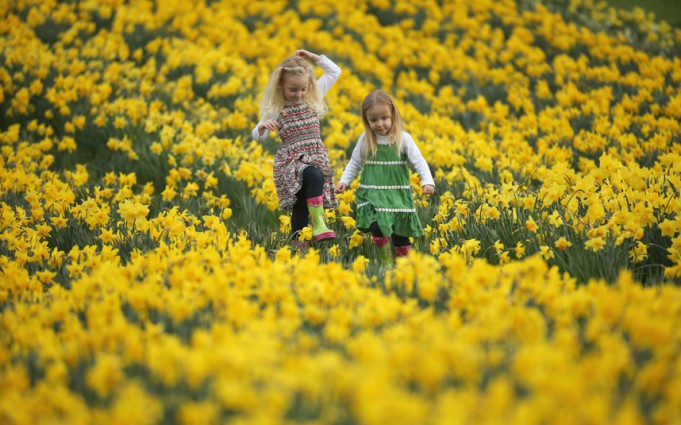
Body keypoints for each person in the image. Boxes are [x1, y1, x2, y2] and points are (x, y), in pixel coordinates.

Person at [335, 89, 435, 268]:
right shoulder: (366, 139)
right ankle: (386, 263)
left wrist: (427, 181)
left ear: (393, 115)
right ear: (367, 120)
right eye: (373, 120)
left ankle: (407, 266)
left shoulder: (403, 139)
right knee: (377, 227)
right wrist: (344, 181)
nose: (379, 124)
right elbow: (355, 162)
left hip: (396, 194)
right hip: (373, 193)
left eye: (384, 118)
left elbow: (419, 161)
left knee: (400, 234)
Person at [252, 49, 341, 247]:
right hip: (291, 163)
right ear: (280, 86)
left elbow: (335, 72)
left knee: (301, 206)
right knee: (315, 176)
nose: (299, 94)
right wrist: (262, 126)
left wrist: (313, 58)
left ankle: (299, 247)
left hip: (315, 156)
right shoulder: (277, 108)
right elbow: (257, 136)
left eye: (303, 89)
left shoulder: (313, 95)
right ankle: (318, 223)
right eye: (293, 90)